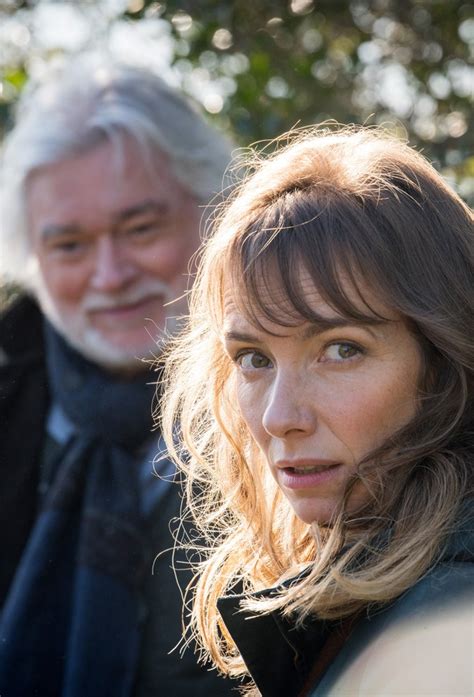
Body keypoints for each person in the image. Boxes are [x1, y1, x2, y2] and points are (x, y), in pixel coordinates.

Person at [161, 126, 474, 697]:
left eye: (341, 349)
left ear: (444, 362)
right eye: (253, 358)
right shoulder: (387, 594)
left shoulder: (450, 624)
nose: (279, 417)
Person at [0, 55, 236, 696]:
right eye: (70, 246)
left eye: (140, 228)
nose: (109, 275)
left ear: (216, 212)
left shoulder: (294, 404)